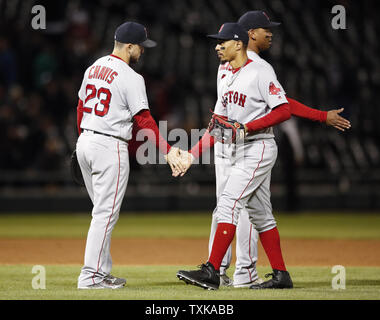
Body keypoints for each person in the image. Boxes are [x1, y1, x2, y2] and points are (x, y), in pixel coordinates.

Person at [177, 12, 351, 289]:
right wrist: (191, 154)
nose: (217, 46)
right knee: (260, 215)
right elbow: (218, 123)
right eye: (217, 42)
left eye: (223, 42)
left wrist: (248, 127)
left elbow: (282, 108)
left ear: (239, 42)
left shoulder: (260, 69)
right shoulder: (225, 70)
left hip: (257, 147)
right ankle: (281, 275)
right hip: (233, 148)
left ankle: (212, 271)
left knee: (228, 204)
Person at [75, 21, 185, 289]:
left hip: (86, 142)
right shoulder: (131, 76)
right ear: (129, 46)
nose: (143, 52)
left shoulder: (93, 67)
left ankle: (101, 272)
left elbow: (80, 108)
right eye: (141, 47)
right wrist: (168, 150)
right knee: (105, 214)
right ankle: (90, 276)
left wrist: (80, 140)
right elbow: (144, 120)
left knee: (101, 213)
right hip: (109, 147)